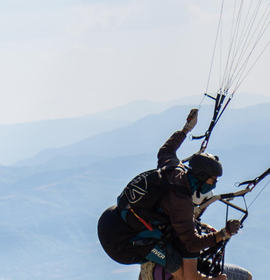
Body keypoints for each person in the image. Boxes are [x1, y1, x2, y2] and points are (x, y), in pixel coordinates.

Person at [98, 108, 252, 280]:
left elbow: (166, 150)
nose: (214, 183)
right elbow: (192, 244)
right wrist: (224, 234)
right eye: (212, 179)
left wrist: (186, 129)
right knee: (180, 273)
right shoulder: (181, 202)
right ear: (201, 177)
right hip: (120, 242)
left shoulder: (174, 168)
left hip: (111, 218)